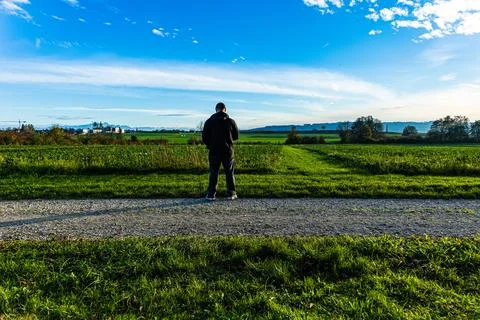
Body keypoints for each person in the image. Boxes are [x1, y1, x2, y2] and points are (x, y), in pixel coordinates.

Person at [202, 102, 239, 201]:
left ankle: (211, 194)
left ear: (216, 109)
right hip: (228, 150)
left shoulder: (209, 122)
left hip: (214, 150)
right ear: (225, 109)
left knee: (214, 172)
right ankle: (231, 193)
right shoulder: (231, 121)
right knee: (229, 172)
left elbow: (204, 138)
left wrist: (211, 145)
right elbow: (236, 136)